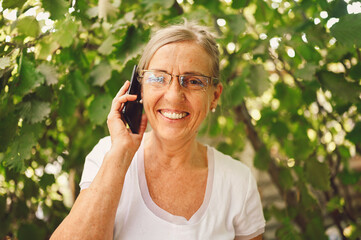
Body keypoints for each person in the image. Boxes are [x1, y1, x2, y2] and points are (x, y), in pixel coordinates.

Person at [51, 21, 265, 240]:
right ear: (140, 88)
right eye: (158, 78)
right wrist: (121, 154)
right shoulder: (107, 154)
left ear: (214, 97)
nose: (173, 96)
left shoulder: (238, 182)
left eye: (193, 81)